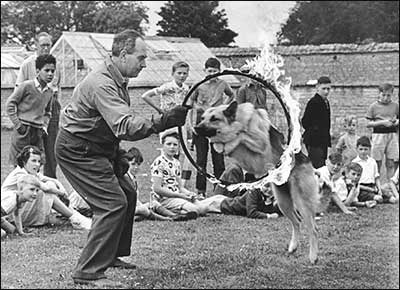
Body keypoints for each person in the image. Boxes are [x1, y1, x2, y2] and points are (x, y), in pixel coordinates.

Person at [54, 29, 189, 287]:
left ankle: (112, 254)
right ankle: (88, 272)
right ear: (124, 54)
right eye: (140, 58)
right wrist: (163, 121)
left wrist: (116, 154)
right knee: (112, 203)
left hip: (97, 145)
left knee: (127, 191)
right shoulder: (103, 83)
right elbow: (125, 125)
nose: (144, 63)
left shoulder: (117, 79)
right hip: (77, 150)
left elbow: (104, 124)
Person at [1, 146, 91, 231]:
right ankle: (74, 216)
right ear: (24, 162)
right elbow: (46, 188)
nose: (37, 164)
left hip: (20, 210)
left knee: (50, 183)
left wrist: (60, 186)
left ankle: (71, 214)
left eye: (38, 161)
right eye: (33, 161)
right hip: (8, 212)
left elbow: (49, 179)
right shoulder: (20, 174)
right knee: (44, 191)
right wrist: (62, 194)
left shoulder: (31, 172)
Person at [16, 32, 62, 178]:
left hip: (51, 107)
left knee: (51, 149)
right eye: (43, 45)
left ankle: (50, 181)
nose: (46, 48)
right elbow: (18, 89)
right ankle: (26, 180)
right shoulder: (27, 64)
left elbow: (57, 89)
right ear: (36, 46)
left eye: (49, 45)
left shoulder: (56, 65)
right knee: (28, 148)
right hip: (31, 110)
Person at [188, 57, 234, 198]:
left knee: (218, 160)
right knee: (201, 159)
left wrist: (223, 107)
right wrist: (194, 117)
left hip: (216, 127)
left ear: (219, 72)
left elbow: (231, 95)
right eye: (210, 71)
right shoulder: (199, 84)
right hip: (201, 125)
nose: (212, 74)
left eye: (215, 71)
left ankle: (219, 190)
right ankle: (200, 191)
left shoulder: (222, 83)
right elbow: (190, 102)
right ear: (204, 70)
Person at [141, 61, 192, 185]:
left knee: (180, 153)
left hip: (181, 125)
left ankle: (177, 182)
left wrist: (189, 125)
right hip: (168, 124)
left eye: (185, 73)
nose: (182, 76)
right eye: (179, 73)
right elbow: (145, 96)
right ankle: (162, 181)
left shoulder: (186, 89)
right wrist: (160, 110)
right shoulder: (167, 87)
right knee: (167, 151)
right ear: (173, 73)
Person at [6, 54, 56, 168]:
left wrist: (44, 126)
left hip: (38, 132)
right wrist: (18, 124)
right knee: (19, 166)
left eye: (52, 71)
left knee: (36, 164)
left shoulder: (50, 92)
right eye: (46, 70)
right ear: (38, 71)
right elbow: (10, 104)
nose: (50, 74)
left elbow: (48, 112)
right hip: (23, 131)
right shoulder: (26, 86)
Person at [150, 132, 206, 216]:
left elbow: (180, 187)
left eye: (175, 145)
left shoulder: (176, 163)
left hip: (177, 197)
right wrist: (180, 196)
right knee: (195, 210)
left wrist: (189, 193)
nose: (172, 147)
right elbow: (157, 188)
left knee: (203, 208)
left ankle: (178, 211)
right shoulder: (159, 162)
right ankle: (163, 209)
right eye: (168, 144)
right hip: (164, 199)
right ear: (163, 145)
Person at [366, 83, 399, 182]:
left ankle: (390, 185)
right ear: (379, 94)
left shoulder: (396, 106)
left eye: (388, 95)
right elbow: (368, 123)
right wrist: (382, 122)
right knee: (377, 163)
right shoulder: (373, 106)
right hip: (378, 135)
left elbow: (398, 119)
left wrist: (396, 122)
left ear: (392, 95)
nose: (385, 98)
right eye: (383, 95)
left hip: (392, 135)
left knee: (391, 162)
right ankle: (378, 185)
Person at [301, 76, 332, 168]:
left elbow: (327, 124)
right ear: (317, 87)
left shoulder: (326, 102)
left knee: (322, 166)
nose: (326, 91)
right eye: (324, 89)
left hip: (323, 141)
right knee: (317, 167)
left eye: (328, 89)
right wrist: (315, 129)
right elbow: (305, 122)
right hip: (314, 141)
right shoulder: (313, 102)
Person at [351, 136, 392, 204]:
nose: (363, 151)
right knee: (378, 198)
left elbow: (376, 177)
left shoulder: (372, 161)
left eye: (365, 149)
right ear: (357, 149)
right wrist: (371, 190)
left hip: (372, 186)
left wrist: (379, 188)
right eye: (361, 149)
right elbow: (353, 182)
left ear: (369, 149)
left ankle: (377, 198)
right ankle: (372, 199)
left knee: (392, 199)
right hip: (361, 188)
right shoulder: (355, 162)